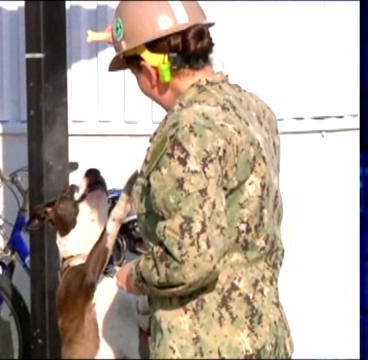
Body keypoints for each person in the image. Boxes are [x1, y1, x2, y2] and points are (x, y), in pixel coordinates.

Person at [89, 1, 294, 358]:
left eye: (135, 72)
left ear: (152, 72)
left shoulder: (189, 131)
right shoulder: (255, 110)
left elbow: (189, 261)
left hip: (205, 343)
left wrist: (133, 276)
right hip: (264, 336)